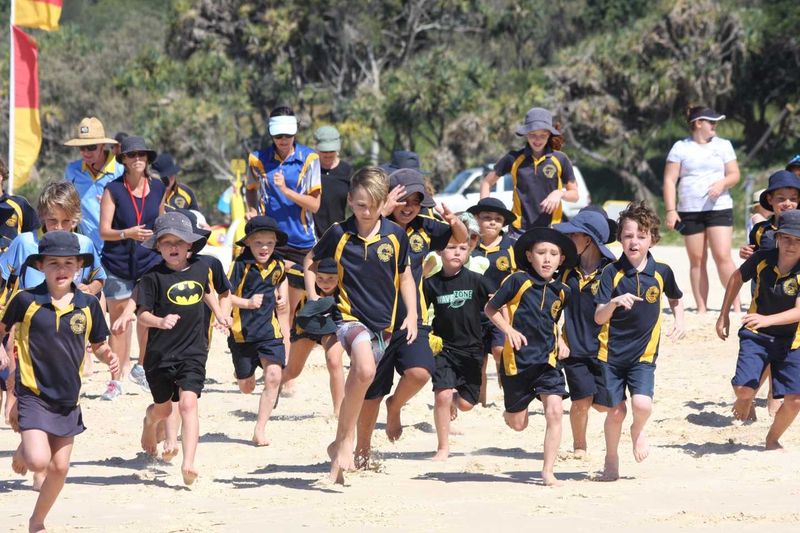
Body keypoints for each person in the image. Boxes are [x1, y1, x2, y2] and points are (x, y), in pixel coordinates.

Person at [304, 166, 417, 484]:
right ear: (350, 200)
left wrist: (411, 314)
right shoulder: (339, 234)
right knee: (365, 369)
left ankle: (338, 445)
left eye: (371, 206)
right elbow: (310, 264)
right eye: (359, 205)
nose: (365, 212)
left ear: (383, 203)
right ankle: (346, 442)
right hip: (348, 318)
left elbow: (405, 275)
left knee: (363, 379)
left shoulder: (395, 235)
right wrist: (316, 302)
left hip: (384, 326)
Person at [1, 231, 118, 533]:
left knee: (60, 468)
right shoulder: (26, 300)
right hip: (33, 392)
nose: (61, 269)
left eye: (68, 262)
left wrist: (109, 358)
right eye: (53, 263)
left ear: (79, 265)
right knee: (39, 461)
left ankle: (37, 521)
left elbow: (99, 344)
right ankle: (26, 447)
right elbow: (2, 328)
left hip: (68, 397)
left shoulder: (89, 304)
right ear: (41, 266)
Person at [354, 168, 467, 466]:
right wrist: (382, 211)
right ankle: (362, 450)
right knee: (371, 395)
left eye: (416, 201)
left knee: (420, 372)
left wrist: (454, 221)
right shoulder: (369, 225)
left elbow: (461, 237)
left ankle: (396, 406)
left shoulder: (425, 228)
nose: (409, 207)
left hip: (412, 319)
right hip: (373, 321)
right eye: (403, 199)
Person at [593, 201, 685, 481]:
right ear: (620, 238)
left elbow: (675, 298)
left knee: (643, 405)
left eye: (641, 235)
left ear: (652, 240)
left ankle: (638, 430)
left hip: (644, 354)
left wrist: (679, 320)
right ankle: (611, 458)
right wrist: (614, 302)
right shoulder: (610, 272)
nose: (634, 241)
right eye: (628, 235)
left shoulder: (662, 271)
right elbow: (598, 317)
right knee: (617, 410)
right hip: (610, 354)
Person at [137, 212, 228, 485]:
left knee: (188, 403)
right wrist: (160, 321)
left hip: (193, 350)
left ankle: (188, 463)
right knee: (164, 410)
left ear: (190, 245)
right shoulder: (152, 277)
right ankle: (149, 422)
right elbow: (142, 315)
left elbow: (207, 290)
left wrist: (220, 314)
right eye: (166, 243)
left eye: (179, 242)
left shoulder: (202, 268)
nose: (173, 247)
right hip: (160, 354)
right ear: (158, 247)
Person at [485, 226, 576, 486]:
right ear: (529, 255)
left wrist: (561, 340)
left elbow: (553, 319)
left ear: (561, 260)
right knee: (518, 424)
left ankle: (548, 471)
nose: (547, 259)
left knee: (555, 411)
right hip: (517, 362)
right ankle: (510, 413)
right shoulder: (517, 281)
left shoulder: (562, 291)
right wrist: (509, 330)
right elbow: (491, 308)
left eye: (553, 254)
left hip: (548, 362)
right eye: (541, 253)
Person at [717, 209, 800, 449]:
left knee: (794, 401)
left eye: (797, 240)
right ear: (777, 237)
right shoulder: (762, 258)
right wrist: (723, 315)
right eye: (786, 238)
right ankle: (746, 399)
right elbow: (735, 278)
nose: (791, 245)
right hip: (756, 334)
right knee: (743, 390)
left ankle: (772, 440)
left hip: (792, 341)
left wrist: (768, 320)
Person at [98, 136, 167, 399]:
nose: (137, 158)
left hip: (150, 262)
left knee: (146, 318)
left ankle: (142, 368)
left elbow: (160, 222)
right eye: (131, 155)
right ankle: (116, 379)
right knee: (118, 323)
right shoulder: (113, 189)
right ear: (123, 159)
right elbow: (104, 231)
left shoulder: (159, 187)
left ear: (148, 158)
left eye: (142, 154)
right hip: (118, 264)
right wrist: (127, 233)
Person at [663, 106, 740, 313]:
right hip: (689, 209)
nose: (715, 126)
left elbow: (734, 174)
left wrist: (722, 183)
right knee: (697, 260)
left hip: (719, 207)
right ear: (698, 123)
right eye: (711, 122)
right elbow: (670, 180)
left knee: (722, 255)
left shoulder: (724, 145)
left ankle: (735, 305)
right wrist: (671, 210)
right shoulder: (680, 147)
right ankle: (702, 308)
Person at [553, 207, 617, 457]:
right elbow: (550, 309)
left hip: (606, 349)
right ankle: (579, 446)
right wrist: (558, 338)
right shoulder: (566, 271)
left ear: (588, 239)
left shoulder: (612, 271)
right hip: (574, 348)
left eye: (573, 235)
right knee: (581, 401)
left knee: (602, 405)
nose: (568, 240)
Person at [424, 236, 493, 460]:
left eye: (463, 249)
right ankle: (443, 447)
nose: (457, 253)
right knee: (442, 395)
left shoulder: (477, 280)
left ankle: (455, 401)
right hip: (444, 348)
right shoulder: (431, 283)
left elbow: (497, 302)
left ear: (469, 251)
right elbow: (419, 311)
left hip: (473, 350)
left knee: (465, 405)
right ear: (440, 253)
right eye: (451, 247)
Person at [227, 216, 288, 446]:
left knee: (274, 376)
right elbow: (225, 296)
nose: (264, 248)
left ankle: (259, 429)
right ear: (248, 243)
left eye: (270, 243)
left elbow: (281, 278)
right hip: (242, 334)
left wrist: (281, 296)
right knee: (246, 387)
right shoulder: (240, 266)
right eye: (258, 243)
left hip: (270, 332)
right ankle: (243, 374)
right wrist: (247, 303)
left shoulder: (278, 263)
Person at [479, 107, 578, 236]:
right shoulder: (513, 158)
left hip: (552, 229)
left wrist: (559, 193)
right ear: (526, 134)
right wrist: (485, 210)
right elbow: (486, 183)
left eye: (542, 135)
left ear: (549, 135)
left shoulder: (560, 159)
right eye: (533, 135)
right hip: (519, 231)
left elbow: (575, 195)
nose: (537, 140)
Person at [0, 181, 105, 296]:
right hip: (31, 311)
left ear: (75, 220)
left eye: (66, 221)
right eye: (52, 220)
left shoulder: (85, 244)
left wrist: (90, 289)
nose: (59, 228)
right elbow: (2, 274)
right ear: (42, 215)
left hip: (71, 312)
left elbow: (100, 278)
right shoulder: (24, 242)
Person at [467, 197, 518, 405]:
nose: (492, 222)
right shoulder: (469, 245)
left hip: (500, 311)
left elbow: (518, 277)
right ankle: (481, 402)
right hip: (473, 313)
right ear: (476, 220)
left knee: (500, 351)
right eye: (486, 218)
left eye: (498, 219)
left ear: (504, 224)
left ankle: (509, 394)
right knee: (478, 359)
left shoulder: (511, 247)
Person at [281, 258, 345, 417]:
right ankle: (272, 390)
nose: (325, 282)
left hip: (332, 325)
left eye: (331, 278)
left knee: (334, 360)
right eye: (320, 278)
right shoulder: (305, 278)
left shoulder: (348, 283)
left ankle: (339, 412)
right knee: (292, 371)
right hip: (306, 324)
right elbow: (288, 265)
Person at [63, 117, 125, 252]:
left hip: (117, 250)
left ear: (103, 145)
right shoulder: (72, 171)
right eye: (82, 147)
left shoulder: (122, 170)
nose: (86, 152)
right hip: (85, 250)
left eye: (91, 147)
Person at [740, 170, 800, 260]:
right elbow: (754, 259)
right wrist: (746, 252)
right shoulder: (760, 230)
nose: (788, 203)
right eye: (781, 198)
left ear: (798, 200)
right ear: (769, 199)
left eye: (793, 199)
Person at [313, 126, 352, 237]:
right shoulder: (309, 169)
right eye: (324, 150)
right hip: (312, 236)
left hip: (339, 234)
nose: (328, 154)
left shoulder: (347, 170)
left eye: (332, 150)